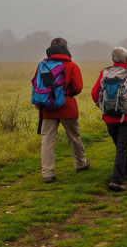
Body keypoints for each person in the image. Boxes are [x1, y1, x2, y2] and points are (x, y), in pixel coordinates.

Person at [33, 38, 90, 183]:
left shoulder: (42, 65)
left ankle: (48, 173)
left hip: (47, 108)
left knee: (47, 141)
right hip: (67, 107)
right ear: (66, 48)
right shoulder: (71, 65)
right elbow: (78, 87)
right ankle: (80, 163)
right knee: (74, 137)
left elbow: (37, 85)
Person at [92, 47, 127, 191]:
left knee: (121, 147)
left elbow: (94, 93)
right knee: (122, 148)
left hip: (109, 118)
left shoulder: (104, 73)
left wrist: (103, 108)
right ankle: (116, 180)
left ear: (113, 60)